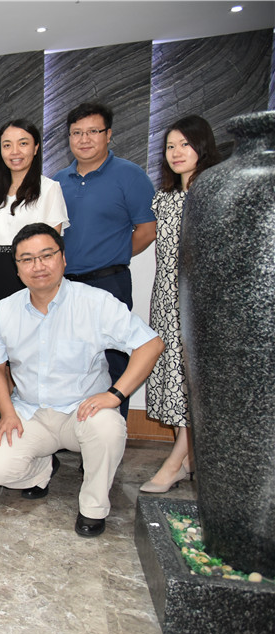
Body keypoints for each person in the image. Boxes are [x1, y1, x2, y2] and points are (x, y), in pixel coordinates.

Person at [0, 224, 163, 537]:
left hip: (83, 413)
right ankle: (42, 469)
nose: (38, 266)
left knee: (108, 427)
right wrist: (7, 412)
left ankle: (93, 507)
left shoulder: (95, 302)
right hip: (31, 413)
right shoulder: (5, 310)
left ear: (63, 258)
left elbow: (151, 344)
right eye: (27, 259)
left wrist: (115, 395)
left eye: (46, 255)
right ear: (17, 269)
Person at [53, 101, 156, 418]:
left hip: (109, 282)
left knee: (115, 363)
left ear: (108, 134)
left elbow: (147, 230)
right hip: (63, 286)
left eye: (93, 131)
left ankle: (112, 434)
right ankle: (70, 431)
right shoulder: (57, 180)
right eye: (76, 133)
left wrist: (114, 253)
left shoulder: (130, 175)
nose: (84, 139)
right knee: (67, 362)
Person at [140, 115, 222, 494]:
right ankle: (189, 459)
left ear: (202, 147)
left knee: (191, 382)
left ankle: (174, 464)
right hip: (165, 300)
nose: (176, 152)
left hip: (198, 302)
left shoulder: (213, 196)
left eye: (184, 145)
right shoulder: (164, 199)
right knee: (172, 379)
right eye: (170, 146)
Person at [0, 120, 69, 318]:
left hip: (33, 276)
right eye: (7, 145)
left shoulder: (49, 189)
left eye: (23, 143)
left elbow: (53, 249)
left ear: (36, 148)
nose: (14, 152)